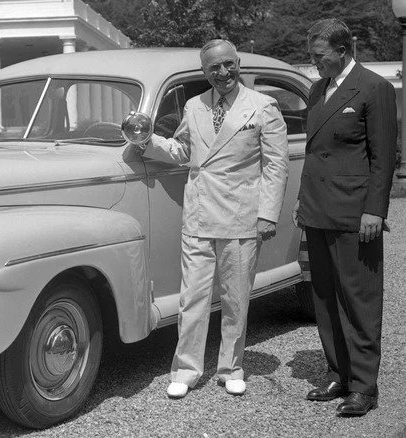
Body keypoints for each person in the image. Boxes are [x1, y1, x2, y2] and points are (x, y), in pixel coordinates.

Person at [135, 39, 289, 398]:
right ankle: (186, 370)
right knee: (192, 298)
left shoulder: (263, 106)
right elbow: (184, 150)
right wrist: (144, 141)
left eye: (228, 64)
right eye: (214, 68)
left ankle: (231, 368)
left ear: (238, 63)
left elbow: (276, 165)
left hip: (241, 216)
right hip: (199, 214)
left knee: (236, 299)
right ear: (204, 72)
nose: (223, 73)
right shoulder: (194, 105)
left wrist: (267, 215)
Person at [293, 18, 396, 416]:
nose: (314, 62)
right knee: (325, 297)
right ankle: (339, 373)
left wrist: (374, 210)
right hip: (318, 209)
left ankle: (364, 386)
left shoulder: (374, 87)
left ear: (342, 49)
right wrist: (302, 202)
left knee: (359, 299)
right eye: (312, 56)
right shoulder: (318, 89)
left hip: (355, 213)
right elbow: (316, 153)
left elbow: (383, 158)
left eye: (319, 56)